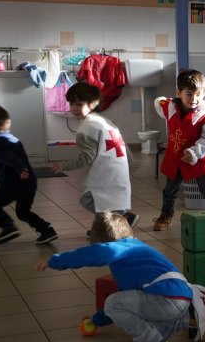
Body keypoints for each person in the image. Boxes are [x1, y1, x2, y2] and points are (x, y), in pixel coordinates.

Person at [36, 211, 205, 342]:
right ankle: (186, 319)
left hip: (164, 299)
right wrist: (96, 320)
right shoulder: (136, 253)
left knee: (114, 304)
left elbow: (93, 254)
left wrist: (56, 261)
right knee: (126, 311)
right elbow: (125, 300)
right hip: (181, 297)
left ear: (105, 243)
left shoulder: (121, 248)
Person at [51, 83, 139, 231]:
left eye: (79, 104)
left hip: (105, 172)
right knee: (109, 199)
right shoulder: (104, 121)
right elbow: (122, 143)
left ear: (93, 104)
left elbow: (87, 157)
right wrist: (130, 161)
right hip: (118, 170)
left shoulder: (86, 129)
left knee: (89, 200)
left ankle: (121, 218)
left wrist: (64, 166)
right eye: (71, 103)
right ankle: (105, 226)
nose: (74, 108)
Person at [152, 69, 205, 232]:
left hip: (197, 159)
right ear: (178, 93)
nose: (194, 99)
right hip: (175, 158)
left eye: (198, 95)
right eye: (189, 94)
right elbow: (159, 102)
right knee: (170, 190)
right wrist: (168, 101)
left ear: (204, 94)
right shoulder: (170, 108)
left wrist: (194, 153)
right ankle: (166, 215)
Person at [0, 105, 58, 245]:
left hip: (13, 184)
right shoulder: (13, 138)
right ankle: (46, 230)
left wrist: (20, 169)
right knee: (23, 212)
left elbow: (11, 158)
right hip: (29, 183)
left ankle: (8, 227)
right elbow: (9, 159)